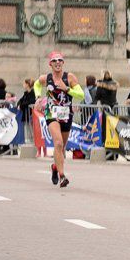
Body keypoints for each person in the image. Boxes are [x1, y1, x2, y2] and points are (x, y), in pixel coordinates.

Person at [33, 52, 85, 188]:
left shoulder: (70, 77)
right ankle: (62, 176)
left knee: (62, 149)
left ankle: (55, 167)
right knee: (58, 143)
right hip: (51, 113)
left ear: (63, 63)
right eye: (54, 60)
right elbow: (36, 84)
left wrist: (67, 89)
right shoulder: (46, 78)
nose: (57, 62)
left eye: (60, 60)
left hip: (66, 114)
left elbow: (81, 94)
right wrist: (38, 97)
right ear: (50, 64)